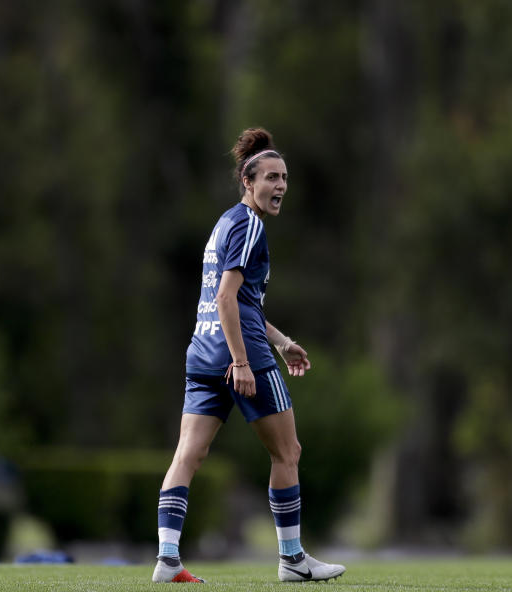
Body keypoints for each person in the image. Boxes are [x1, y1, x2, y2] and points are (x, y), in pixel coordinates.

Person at [152, 128, 346, 584]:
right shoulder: (250, 224)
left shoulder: (224, 223)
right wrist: (242, 361)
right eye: (271, 178)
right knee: (288, 451)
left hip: (200, 354)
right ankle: (293, 559)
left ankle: (167, 559)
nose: (280, 186)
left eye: (284, 178)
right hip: (239, 358)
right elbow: (225, 298)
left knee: (187, 455)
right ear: (248, 181)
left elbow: (242, 304)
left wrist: (283, 341)